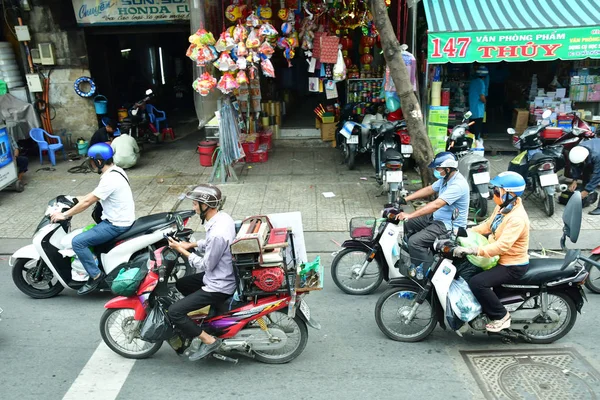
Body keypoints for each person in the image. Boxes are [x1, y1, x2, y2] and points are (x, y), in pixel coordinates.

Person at [50, 143, 134, 295]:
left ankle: (96, 276)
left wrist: (65, 214)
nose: (91, 164)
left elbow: (88, 202)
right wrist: (73, 198)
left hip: (116, 224)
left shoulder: (110, 179)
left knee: (78, 242)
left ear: (99, 161)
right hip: (119, 219)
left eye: (92, 161)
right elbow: (94, 195)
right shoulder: (117, 171)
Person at [167, 184, 237, 361]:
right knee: (182, 284)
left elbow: (206, 265)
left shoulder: (217, 233)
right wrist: (191, 245)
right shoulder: (223, 218)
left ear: (205, 205)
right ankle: (208, 317)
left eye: (195, 204)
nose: (193, 207)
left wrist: (182, 251)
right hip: (221, 274)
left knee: (174, 312)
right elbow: (211, 243)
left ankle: (208, 340)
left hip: (219, 285)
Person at [454, 172, 530, 332]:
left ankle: (502, 317)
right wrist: (463, 233)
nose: (494, 194)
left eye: (497, 191)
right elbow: (488, 226)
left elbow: (502, 246)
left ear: (509, 194)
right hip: (498, 259)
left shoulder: (517, 218)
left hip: (511, 265)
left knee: (477, 282)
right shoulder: (503, 208)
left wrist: (474, 250)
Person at [397, 152, 470, 269]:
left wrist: (410, 215)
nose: (436, 170)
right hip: (437, 217)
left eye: (438, 168)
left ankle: (425, 274)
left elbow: (436, 205)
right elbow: (430, 189)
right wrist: (405, 199)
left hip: (448, 225)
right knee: (408, 223)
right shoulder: (446, 178)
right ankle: (420, 255)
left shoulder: (458, 185)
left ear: (448, 169)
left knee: (414, 242)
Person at [568, 139, 600, 215]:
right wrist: (574, 180)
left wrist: (586, 191)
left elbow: (597, 176)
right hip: (594, 150)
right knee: (586, 169)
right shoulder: (577, 151)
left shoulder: (597, 156)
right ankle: (586, 192)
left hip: (598, 154)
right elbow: (576, 166)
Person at [469, 66, 488, 140]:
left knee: (471, 130)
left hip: (472, 110)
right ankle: (476, 144)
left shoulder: (473, 82)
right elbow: (482, 97)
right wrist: (485, 102)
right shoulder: (481, 83)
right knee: (477, 130)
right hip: (478, 111)